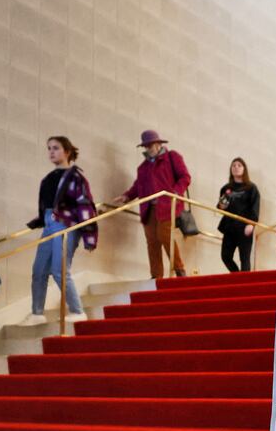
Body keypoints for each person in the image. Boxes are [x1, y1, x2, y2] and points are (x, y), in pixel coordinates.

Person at [21, 136, 97, 327]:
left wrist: (89, 236)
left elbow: (85, 206)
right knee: (39, 269)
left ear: (67, 152)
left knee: (59, 269)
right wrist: (40, 220)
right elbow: (46, 206)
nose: (51, 152)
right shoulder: (48, 178)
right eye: (49, 148)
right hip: (49, 225)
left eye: (56, 148)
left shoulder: (76, 177)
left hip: (66, 224)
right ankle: (37, 313)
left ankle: (78, 310)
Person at [109, 130, 192, 279]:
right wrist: (126, 196)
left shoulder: (172, 157)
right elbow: (138, 186)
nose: (148, 149)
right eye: (145, 147)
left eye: (151, 145)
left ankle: (179, 269)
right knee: (152, 241)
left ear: (159, 144)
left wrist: (176, 192)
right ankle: (156, 276)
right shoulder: (143, 168)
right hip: (149, 208)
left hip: (168, 204)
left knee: (164, 234)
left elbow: (185, 177)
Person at [216, 157, 260, 272]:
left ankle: (245, 285)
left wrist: (251, 224)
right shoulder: (226, 188)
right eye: (233, 165)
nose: (236, 168)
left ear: (244, 169)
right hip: (229, 227)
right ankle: (237, 277)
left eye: (239, 165)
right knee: (225, 256)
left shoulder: (251, 188)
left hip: (245, 228)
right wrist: (222, 204)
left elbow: (255, 207)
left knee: (244, 259)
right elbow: (221, 207)